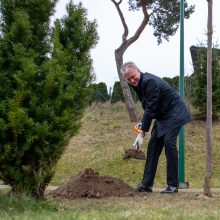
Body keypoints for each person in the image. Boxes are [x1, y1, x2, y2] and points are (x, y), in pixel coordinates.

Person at [121, 61, 191, 193]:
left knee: (169, 143)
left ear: (138, 70)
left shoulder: (149, 81)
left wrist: (142, 133)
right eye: (128, 79)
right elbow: (149, 107)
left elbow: (151, 108)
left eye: (133, 76)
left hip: (175, 112)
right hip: (163, 116)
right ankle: (146, 184)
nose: (132, 80)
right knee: (153, 146)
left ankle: (173, 185)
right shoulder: (138, 84)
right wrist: (143, 123)